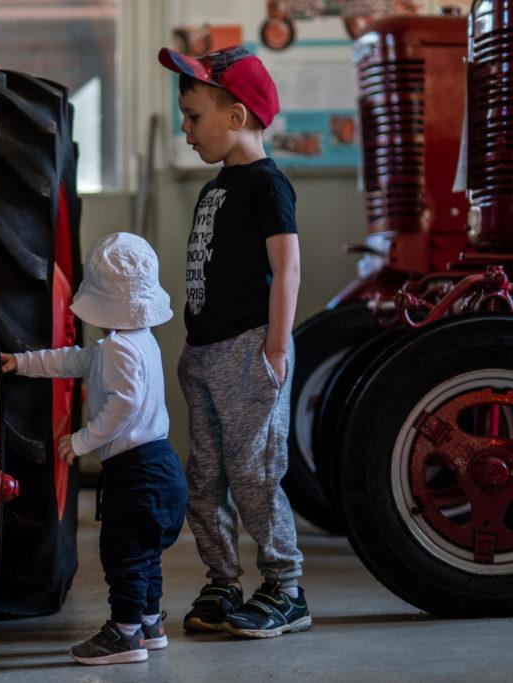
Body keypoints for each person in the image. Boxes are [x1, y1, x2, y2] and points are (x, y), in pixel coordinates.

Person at [158, 44, 310, 639]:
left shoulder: (268, 186)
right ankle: (223, 579)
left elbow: (288, 269)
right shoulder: (217, 188)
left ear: (237, 116)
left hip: (250, 350)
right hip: (206, 353)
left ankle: (285, 587)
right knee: (206, 478)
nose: (186, 129)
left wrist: (274, 347)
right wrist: (194, 348)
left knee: (254, 474)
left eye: (194, 117)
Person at [0, 232, 187, 665]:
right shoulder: (136, 343)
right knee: (146, 555)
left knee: (123, 555)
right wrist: (23, 362)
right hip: (161, 468)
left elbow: (124, 405)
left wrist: (81, 440)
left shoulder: (117, 350)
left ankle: (124, 636)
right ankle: (149, 622)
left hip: (137, 474)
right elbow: (72, 359)